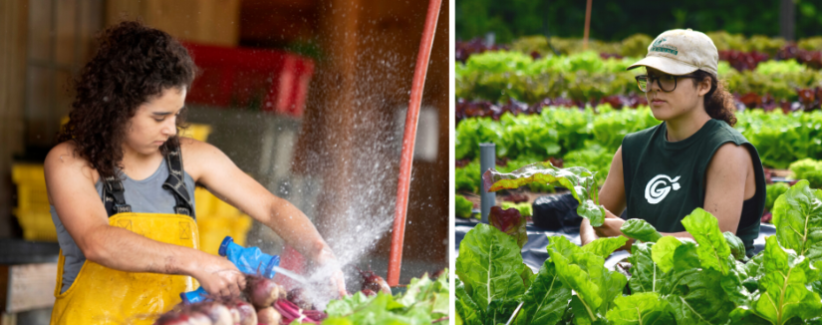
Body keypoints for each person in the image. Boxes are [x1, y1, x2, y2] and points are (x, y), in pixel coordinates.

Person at [45, 21, 345, 324]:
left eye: (176, 114)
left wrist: (319, 251)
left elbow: (270, 207)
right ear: (118, 107)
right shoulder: (68, 162)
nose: (171, 128)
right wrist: (199, 262)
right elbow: (98, 241)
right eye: (159, 116)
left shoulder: (192, 158)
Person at [579, 29, 766, 257]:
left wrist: (633, 238)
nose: (654, 87)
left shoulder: (727, 151)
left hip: (717, 289)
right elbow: (592, 216)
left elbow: (715, 245)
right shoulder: (632, 148)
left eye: (669, 78)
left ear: (704, 85)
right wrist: (591, 243)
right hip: (646, 284)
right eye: (650, 77)